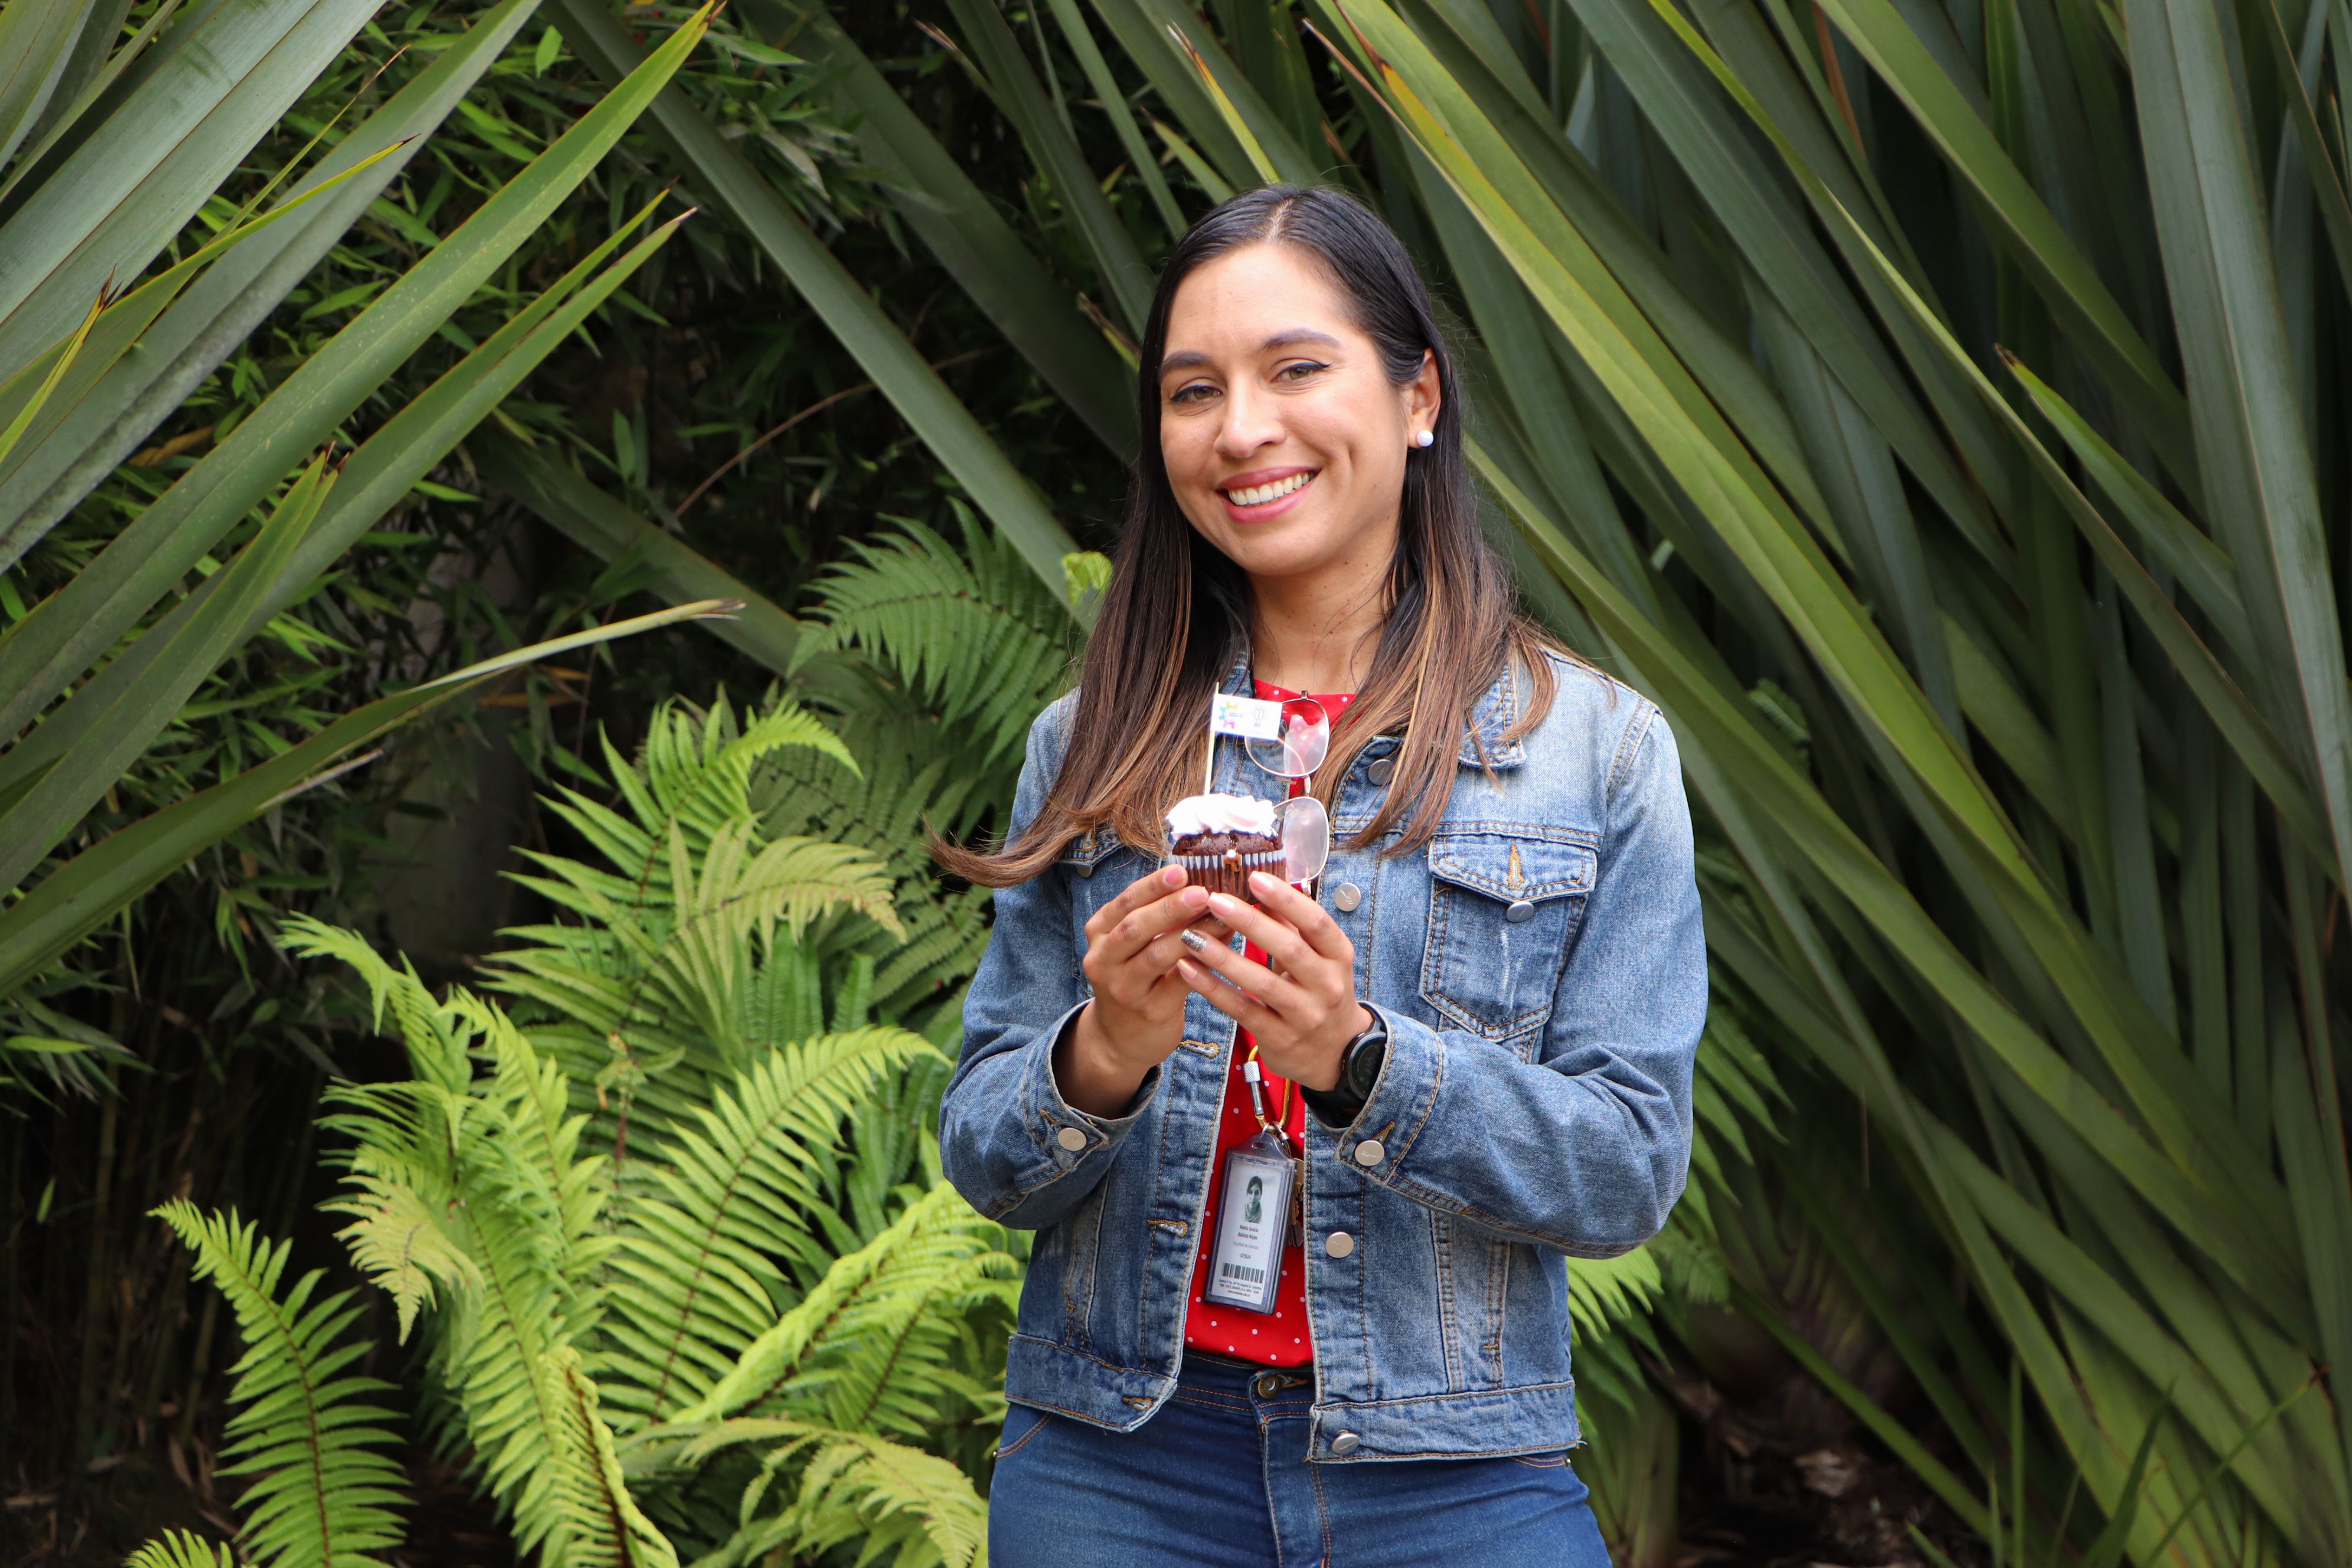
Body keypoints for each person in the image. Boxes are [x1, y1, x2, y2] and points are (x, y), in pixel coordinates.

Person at [936, 184, 1706, 1568]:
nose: (1242, 429)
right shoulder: (1096, 741)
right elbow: (986, 1150)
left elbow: (1628, 1169)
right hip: (1123, 1465)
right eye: (1193, 389)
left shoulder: (1594, 753)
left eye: (1297, 368)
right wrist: (1105, 1048)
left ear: (1419, 397)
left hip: (1457, 1472)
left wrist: (1361, 1061)